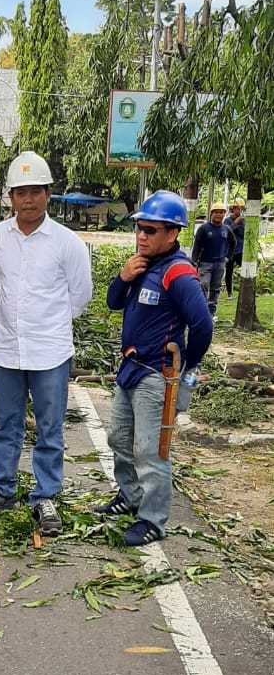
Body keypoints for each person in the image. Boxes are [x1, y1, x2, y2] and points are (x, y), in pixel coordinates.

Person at [0, 151, 93, 537]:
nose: (28, 199)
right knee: (7, 424)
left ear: (48, 193)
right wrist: (15, 321)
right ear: (10, 197)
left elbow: (80, 295)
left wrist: (46, 324)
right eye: (20, 192)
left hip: (50, 351)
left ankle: (46, 497)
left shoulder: (66, 242)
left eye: (35, 191)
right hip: (5, 348)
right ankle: (1, 487)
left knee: (50, 428)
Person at [95, 190, 213, 547]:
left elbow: (203, 325)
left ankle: (152, 518)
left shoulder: (178, 273)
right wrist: (123, 276)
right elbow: (113, 303)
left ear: (173, 234)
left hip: (155, 375)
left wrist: (185, 369)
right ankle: (129, 496)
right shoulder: (143, 265)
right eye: (139, 229)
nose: (142, 236)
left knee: (151, 450)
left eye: (150, 230)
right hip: (129, 369)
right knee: (118, 439)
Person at [191, 204, 235, 318]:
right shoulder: (204, 229)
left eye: (221, 212)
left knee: (216, 289)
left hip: (220, 264)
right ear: (211, 213)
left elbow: (233, 243)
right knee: (203, 285)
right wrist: (194, 261)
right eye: (216, 212)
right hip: (205, 263)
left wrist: (228, 257)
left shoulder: (226, 229)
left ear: (224, 214)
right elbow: (197, 246)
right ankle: (201, 311)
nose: (218, 215)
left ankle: (211, 313)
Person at [224, 200, 245, 299]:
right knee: (229, 272)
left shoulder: (244, 220)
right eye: (237, 208)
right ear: (233, 209)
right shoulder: (227, 220)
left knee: (245, 270)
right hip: (230, 251)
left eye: (241, 209)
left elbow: (243, 233)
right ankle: (229, 293)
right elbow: (226, 232)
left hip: (241, 250)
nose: (239, 210)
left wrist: (237, 226)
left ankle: (246, 290)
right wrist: (236, 223)